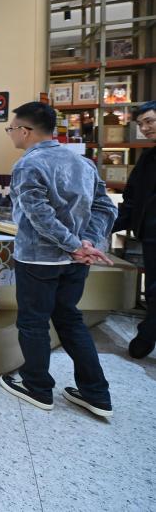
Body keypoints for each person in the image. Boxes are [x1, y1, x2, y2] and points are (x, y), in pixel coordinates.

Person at [0, 102, 117, 418]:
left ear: (25, 130)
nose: (11, 134)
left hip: (39, 259)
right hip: (75, 262)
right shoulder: (83, 163)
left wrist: (75, 245)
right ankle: (96, 393)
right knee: (69, 319)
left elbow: (39, 215)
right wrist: (87, 242)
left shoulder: (28, 164)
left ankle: (37, 387)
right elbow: (105, 208)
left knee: (33, 322)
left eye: (11, 128)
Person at [113, 101, 156, 359]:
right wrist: (108, 225)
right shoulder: (148, 158)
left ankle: (146, 336)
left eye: (149, 121)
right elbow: (131, 198)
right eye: (141, 124)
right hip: (151, 235)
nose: (145, 128)